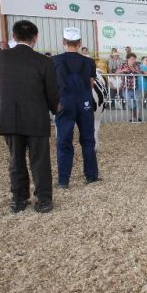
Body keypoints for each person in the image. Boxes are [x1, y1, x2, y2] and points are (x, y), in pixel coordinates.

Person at [0, 20, 59, 213]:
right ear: (35, 38)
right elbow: (52, 92)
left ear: (13, 36)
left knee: (16, 159)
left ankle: (19, 199)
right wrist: (55, 109)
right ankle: (44, 200)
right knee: (40, 160)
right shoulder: (45, 61)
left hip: (9, 116)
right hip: (36, 117)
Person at [52, 28, 100, 190]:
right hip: (84, 101)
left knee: (64, 140)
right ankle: (91, 176)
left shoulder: (55, 60)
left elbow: (52, 84)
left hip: (64, 102)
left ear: (63, 42)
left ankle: (63, 180)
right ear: (80, 44)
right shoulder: (88, 62)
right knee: (87, 139)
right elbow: (91, 83)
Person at [118, 53, 142, 122]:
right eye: (132, 59)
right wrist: (123, 70)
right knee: (130, 103)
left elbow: (140, 73)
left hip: (135, 87)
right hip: (126, 87)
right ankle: (132, 117)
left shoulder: (136, 66)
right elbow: (116, 72)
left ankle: (137, 117)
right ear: (128, 59)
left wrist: (137, 71)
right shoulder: (123, 65)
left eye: (134, 59)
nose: (134, 60)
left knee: (138, 102)